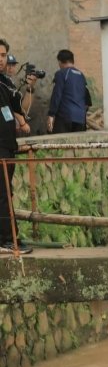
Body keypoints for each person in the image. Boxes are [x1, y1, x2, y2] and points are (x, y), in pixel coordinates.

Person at [0, 39, 32, 254]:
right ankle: (7, 239)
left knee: (6, 192)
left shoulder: (5, 82)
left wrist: (29, 87)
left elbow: (20, 108)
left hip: (8, 146)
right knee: (2, 194)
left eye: (3, 55)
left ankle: (9, 237)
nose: (0, 59)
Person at [47, 49, 91, 134]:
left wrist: (51, 114)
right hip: (80, 119)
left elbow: (57, 95)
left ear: (60, 61)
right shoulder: (81, 75)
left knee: (61, 142)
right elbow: (87, 100)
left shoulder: (61, 74)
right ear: (72, 60)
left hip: (65, 116)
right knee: (77, 142)